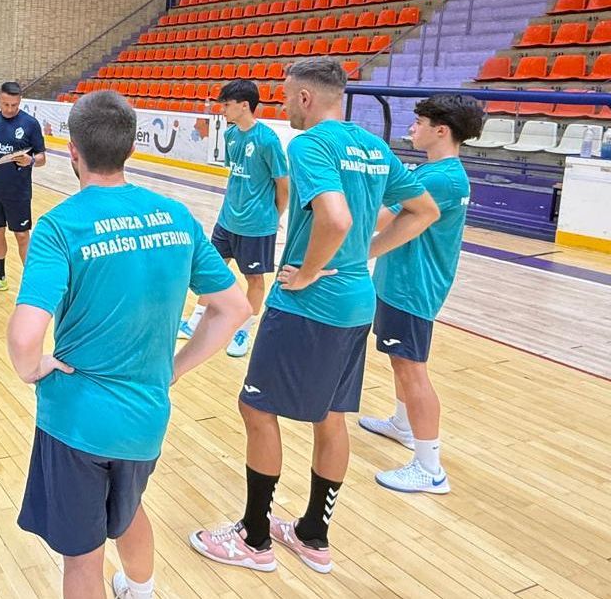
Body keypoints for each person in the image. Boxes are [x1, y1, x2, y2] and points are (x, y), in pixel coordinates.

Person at [190, 59, 440, 576]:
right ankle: (312, 535)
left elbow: (335, 217)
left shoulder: (307, 146)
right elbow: (423, 211)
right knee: (331, 418)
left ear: (306, 97)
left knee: (256, 410)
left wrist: (307, 272)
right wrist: (364, 254)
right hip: (355, 303)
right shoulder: (374, 145)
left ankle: (254, 538)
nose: (282, 105)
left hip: (309, 306)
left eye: (286, 96)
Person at [8, 90, 251, 599]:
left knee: (82, 558)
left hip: (78, 422)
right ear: (130, 148)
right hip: (146, 416)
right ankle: (140, 589)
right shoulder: (175, 215)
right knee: (128, 510)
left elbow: (26, 334)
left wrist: (32, 369)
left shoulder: (60, 225)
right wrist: (175, 369)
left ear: (72, 150)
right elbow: (234, 307)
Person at [359, 94, 484, 495]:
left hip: (413, 288)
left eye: (419, 122)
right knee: (400, 363)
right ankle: (402, 424)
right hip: (403, 283)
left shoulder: (440, 179)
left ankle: (429, 467)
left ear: (440, 130)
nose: (412, 128)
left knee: (412, 369)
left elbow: (386, 217)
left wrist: (346, 240)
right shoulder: (442, 173)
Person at [180, 79, 288, 357]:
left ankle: (244, 329)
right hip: (227, 219)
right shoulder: (230, 136)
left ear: (244, 105)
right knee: (212, 269)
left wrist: (274, 215)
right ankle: (196, 319)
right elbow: (237, 176)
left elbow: (283, 184)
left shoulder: (267, 139)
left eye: (227, 104)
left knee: (254, 278)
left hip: (256, 225)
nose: (222, 110)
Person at [0, 81, 46, 295]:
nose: (10, 109)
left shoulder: (31, 124)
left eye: (14, 105)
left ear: (20, 101)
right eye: (6, 104)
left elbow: (42, 157)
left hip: (19, 192)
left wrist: (31, 161)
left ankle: (31, 284)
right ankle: (0, 278)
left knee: (22, 235)